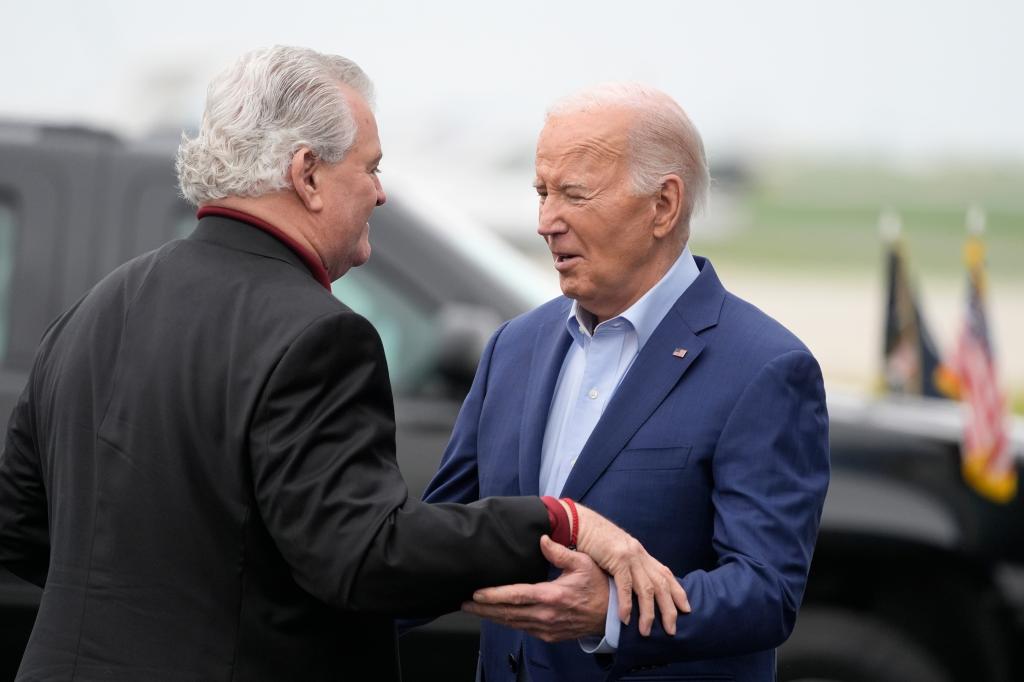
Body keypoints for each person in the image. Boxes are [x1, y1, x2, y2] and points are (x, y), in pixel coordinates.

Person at [0, 49, 686, 682]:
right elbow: (366, 557)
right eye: (371, 167)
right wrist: (555, 520)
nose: (381, 194)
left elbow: (22, 525)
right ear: (306, 175)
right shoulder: (318, 334)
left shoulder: (96, 307)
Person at [423, 83, 830, 681]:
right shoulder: (514, 347)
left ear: (663, 206)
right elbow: (440, 539)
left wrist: (608, 613)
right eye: (541, 193)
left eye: (574, 195)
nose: (544, 221)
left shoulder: (765, 368)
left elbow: (766, 593)